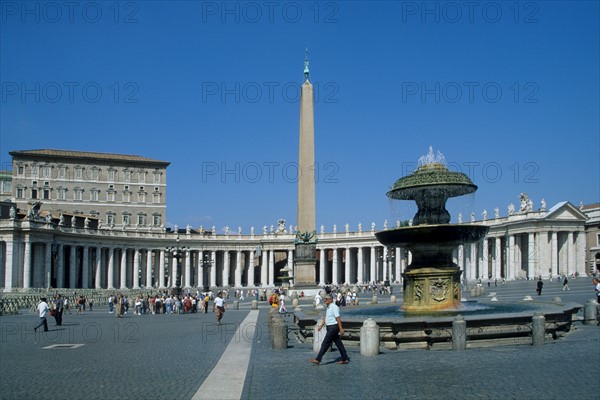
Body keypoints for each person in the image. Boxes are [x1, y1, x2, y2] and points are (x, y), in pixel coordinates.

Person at [309, 294, 350, 365]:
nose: (324, 300)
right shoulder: (328, 307)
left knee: (325, 343)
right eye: (324, 299)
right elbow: (326, 317)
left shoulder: (334, 307)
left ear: (331, 300)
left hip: (333, 327)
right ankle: (345, 358)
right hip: (330, 327)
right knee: (338, 343)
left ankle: (318, 359)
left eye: (326, 299)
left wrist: (341, 328)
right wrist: (321, 325)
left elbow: (338, 318)